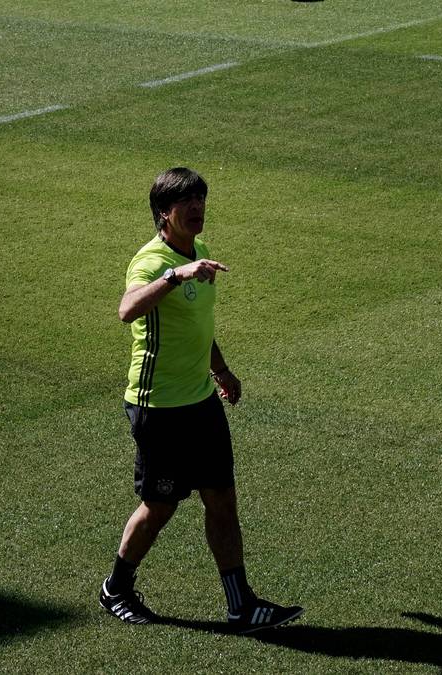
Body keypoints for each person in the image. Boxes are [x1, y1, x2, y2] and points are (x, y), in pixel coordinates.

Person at [99, 167, 302, 633]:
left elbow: (197, 326)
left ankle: (241, 605)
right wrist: (175, 275)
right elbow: (127, 309)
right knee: (160, 506)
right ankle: (116, 589)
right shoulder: (151, 262)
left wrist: (221, 370)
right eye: (185, 202)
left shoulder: (201, 252)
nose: (197, 208)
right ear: (163, 214)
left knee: (222, 499)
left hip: (201, 401)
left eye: (200, 199)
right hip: (159, 407)